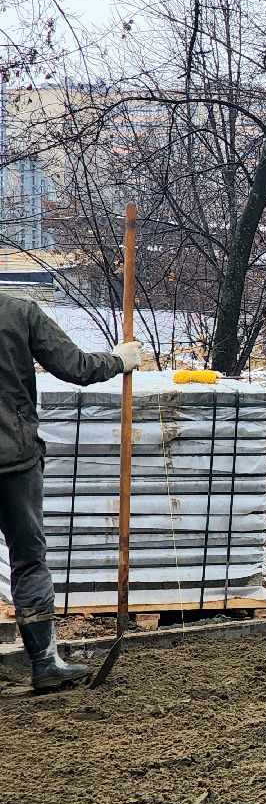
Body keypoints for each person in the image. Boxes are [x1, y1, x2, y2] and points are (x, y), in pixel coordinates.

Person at [1, 295, 144, 690]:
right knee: (28, 560)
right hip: (15, 460)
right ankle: (44, 662)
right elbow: (74, 367)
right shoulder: (18, 312)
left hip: (17, 457)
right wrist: (120, 360)